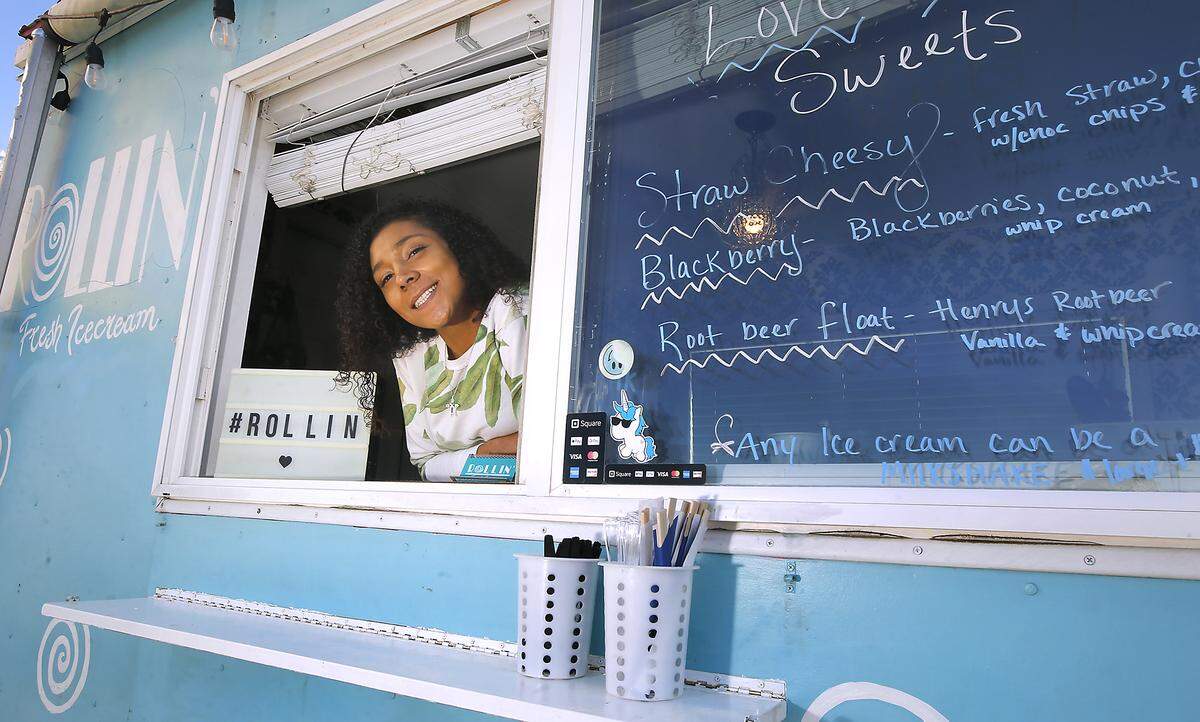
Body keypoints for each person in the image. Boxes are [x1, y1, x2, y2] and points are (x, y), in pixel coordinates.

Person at [335, 199, 529, 481]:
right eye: (386, 277)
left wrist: (457, 462)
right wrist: (489, 451)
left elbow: (546, 444)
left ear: (457, 245)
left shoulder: (512, 307)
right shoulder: (413, 356)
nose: (402, 277)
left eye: (414, 251)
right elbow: (426, 464)